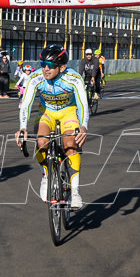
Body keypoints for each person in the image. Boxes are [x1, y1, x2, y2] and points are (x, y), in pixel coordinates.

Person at [14, 44, 89, 209]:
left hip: (68, 112)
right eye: (43, 64)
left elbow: (83, 104)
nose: (45, 69)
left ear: (62, 67)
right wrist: (23, 127)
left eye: (50, 66)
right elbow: (25, 103)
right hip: (46, 112)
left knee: (70, 143)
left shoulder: (73, 78)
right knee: (41, 142)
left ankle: (75, 192)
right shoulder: (36, 77)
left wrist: (83, 126)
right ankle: (45, 177)